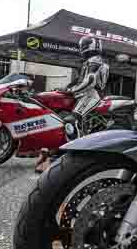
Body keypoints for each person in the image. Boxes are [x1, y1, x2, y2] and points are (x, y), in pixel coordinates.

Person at [34, 36, 109, 173]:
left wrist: (72, 90)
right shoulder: (89, 61)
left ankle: (73, 158)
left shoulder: (95, 61)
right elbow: (79, 80)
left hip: (91, 95)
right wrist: (65, 88)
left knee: (71, 121)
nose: (82, 48)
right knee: (62, 116)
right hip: (84, 94)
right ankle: (52, 151)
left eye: (84, 45)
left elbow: (90, 81)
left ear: (89, 46)